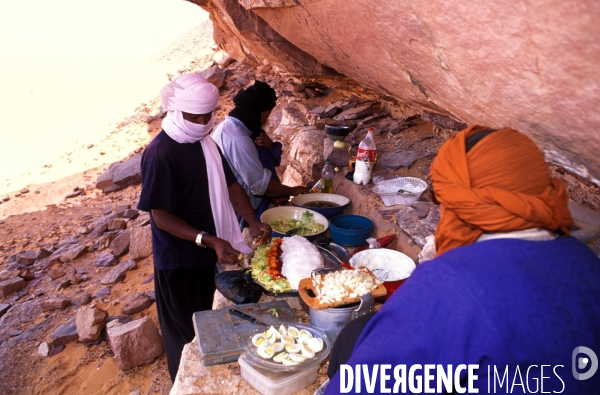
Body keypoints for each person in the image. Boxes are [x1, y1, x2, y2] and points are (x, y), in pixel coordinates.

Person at [324, 126, 600, 394]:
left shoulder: (454, 282)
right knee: (359, 333)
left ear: (457, 200)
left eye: (441, 199)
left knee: (356, 341)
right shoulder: (585, 260)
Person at [137, 74, 270, 382]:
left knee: (209, 323)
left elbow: (231, 184)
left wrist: (252, 220)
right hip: (178, 260)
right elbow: (161, 216)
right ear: (175, 111)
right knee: (186, 333)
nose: (199, 122)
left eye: (206, 115)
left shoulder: (205, 141)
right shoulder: (161, 153)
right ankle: (183, 382)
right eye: (191, 116)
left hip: (208, 252)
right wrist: (207, 239)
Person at [211, 80, 310, 220]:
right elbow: (260, 186)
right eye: (265, 116)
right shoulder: (238, 139)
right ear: (254, 113)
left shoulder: (226, 127)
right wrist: (293, 190)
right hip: (235, 209)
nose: (264, 121)